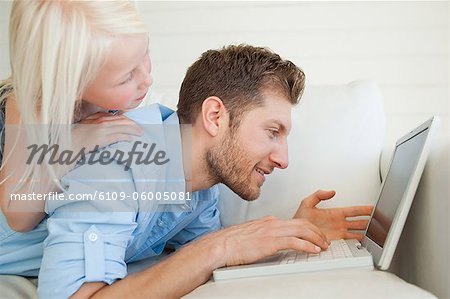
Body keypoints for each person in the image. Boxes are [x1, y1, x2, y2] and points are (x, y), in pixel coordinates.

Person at [0, 45, 372, 298]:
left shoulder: (201, 189)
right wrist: (219, 246)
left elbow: (199, 259)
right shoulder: (122, 160)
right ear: (215, 117)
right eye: (272, 132)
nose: (283, 159)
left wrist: (292, 234)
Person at [0, 0, 149, 232]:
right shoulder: (29, 106)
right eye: (127, 76)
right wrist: (77, 143)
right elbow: (17, 216)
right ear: (71, 86)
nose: (146, 79)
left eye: (145, 54)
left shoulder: (121, 91)